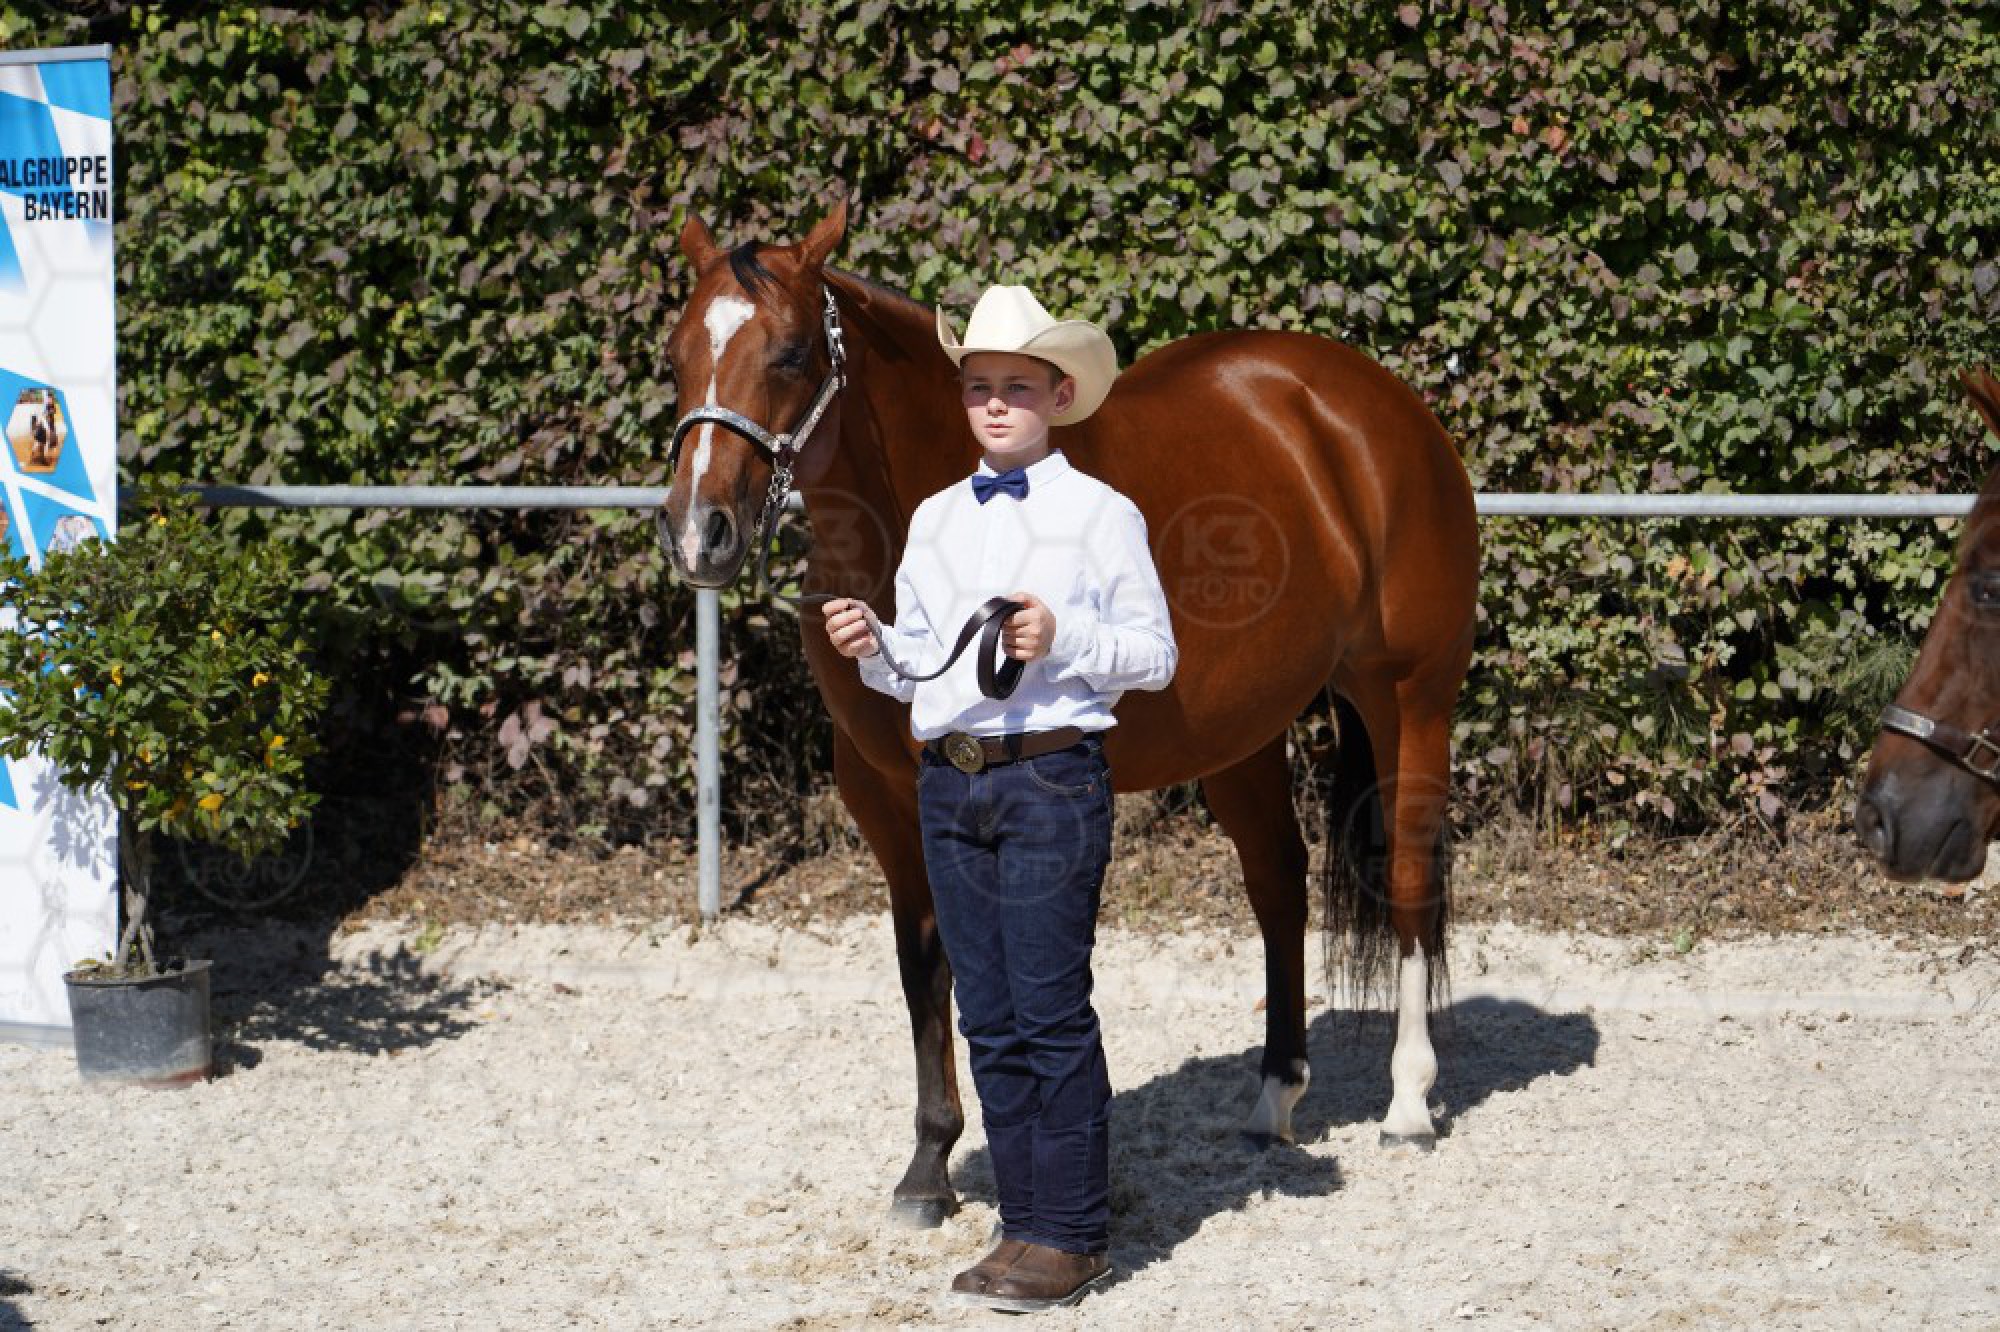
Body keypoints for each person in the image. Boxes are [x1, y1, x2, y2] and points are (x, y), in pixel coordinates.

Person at [822, 284, 1178, 1312]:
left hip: (1049, 781)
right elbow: (923, 668)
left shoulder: (1102, 514)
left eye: (1016, 387)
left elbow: (1154, 657)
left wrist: (1061, 636)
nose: (993, 404)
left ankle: (1069, 1235)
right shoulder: (934, 518)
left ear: (1058, 396)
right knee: (986, 1014)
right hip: (950, 784)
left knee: (1049, 1010)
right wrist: (874, 646)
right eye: (978, 385)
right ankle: (1022, 1223)